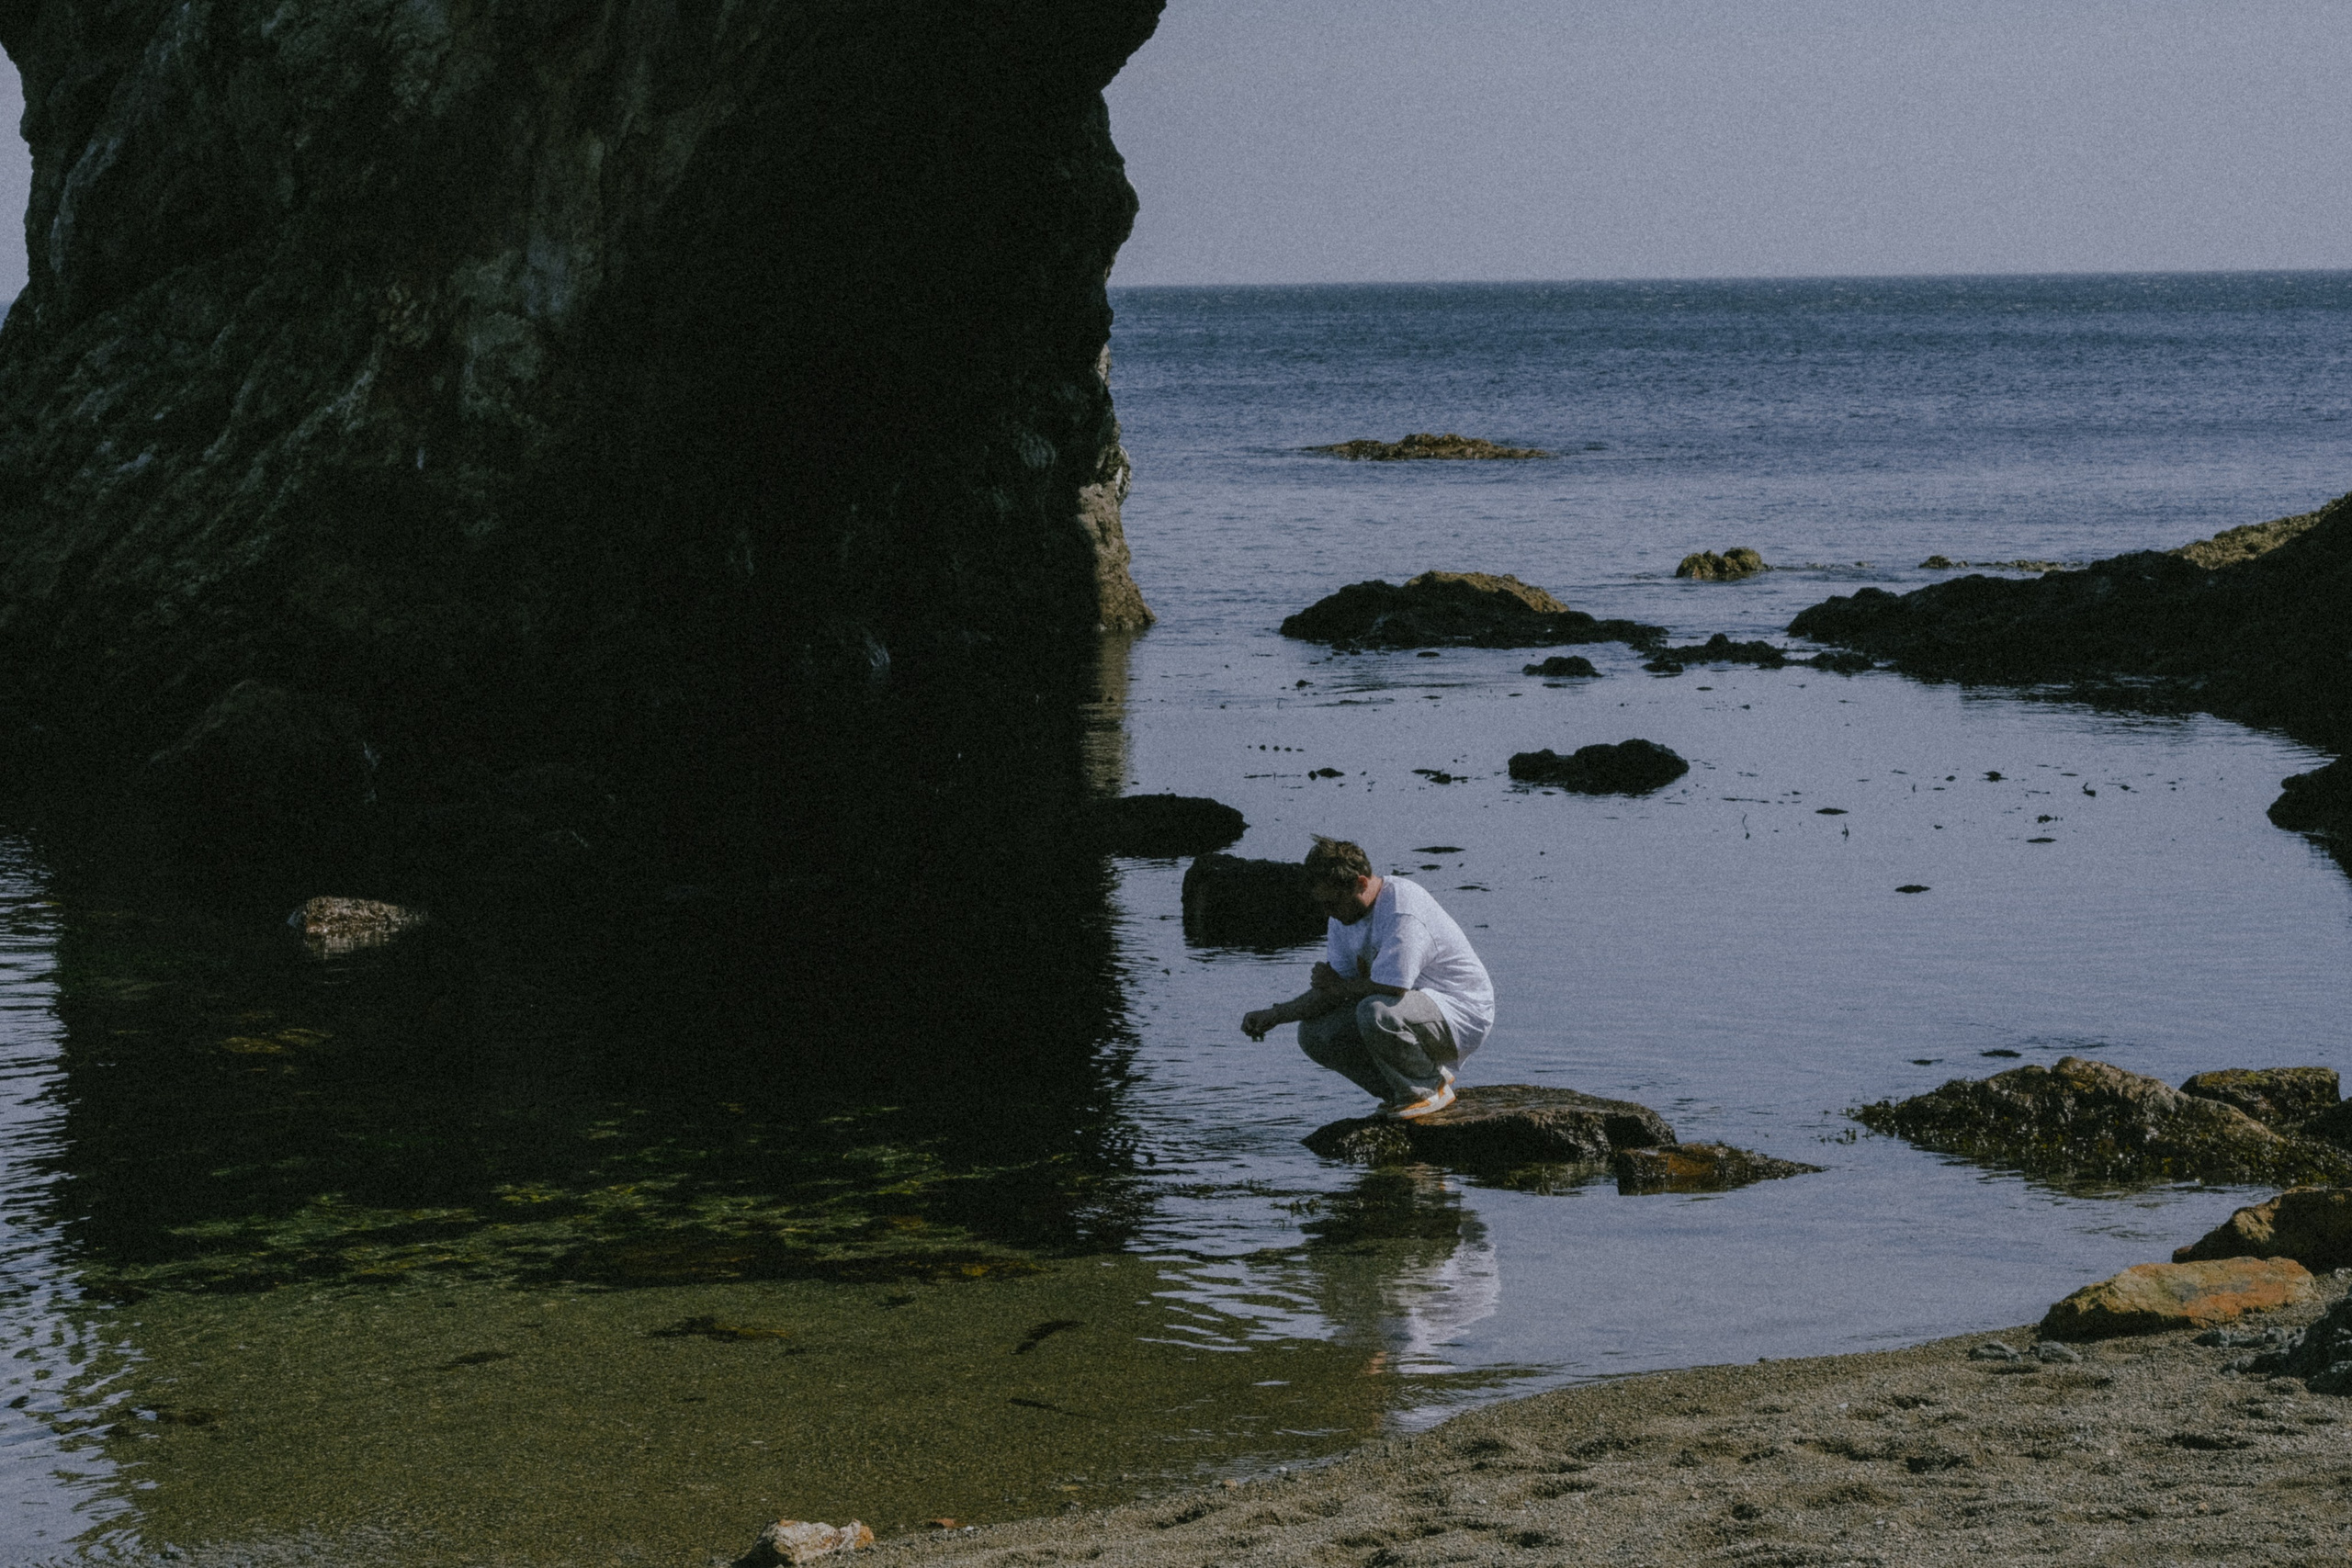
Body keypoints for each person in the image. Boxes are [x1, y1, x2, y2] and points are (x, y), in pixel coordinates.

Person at [1240, 836, 1495, 1119]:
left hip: (1460, 1013)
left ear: (1361, 883)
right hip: (1410, 1013)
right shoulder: (1342, 918)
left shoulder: (1402, 908)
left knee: (1375, 1011)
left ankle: (1427, 1089)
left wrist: (1336, 988)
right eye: (1322, 904)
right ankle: (1401, 1091)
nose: (1328, 913)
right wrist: (1275, 1015)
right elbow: (1333, 992)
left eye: (1333, 903)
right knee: (1315, 1034)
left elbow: (1392, 987)